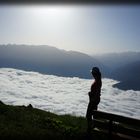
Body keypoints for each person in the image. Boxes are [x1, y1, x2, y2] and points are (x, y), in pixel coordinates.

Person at [86, 67, 102, 133]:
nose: (92, 74)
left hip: (93, 100)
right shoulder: (98, 80)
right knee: (94, 114)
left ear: (94, 73)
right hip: (95, 100)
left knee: (88, 115)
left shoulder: (97, 81)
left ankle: (90, 129)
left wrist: (91, 96)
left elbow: (97, 91)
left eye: (92, 73)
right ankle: (94, 127)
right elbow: (97, 91)